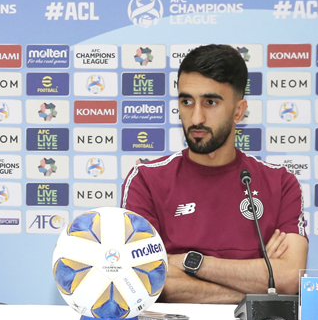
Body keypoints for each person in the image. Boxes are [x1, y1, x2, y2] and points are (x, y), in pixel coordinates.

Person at [121, 44, 307, 303]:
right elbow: (142, 277)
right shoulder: (146, 179)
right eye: (187, 101)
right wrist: (255, 288)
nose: (196, 118)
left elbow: (288, 278)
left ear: (239, 111)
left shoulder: (280, 182)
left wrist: (187, 262)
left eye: (210, 102)